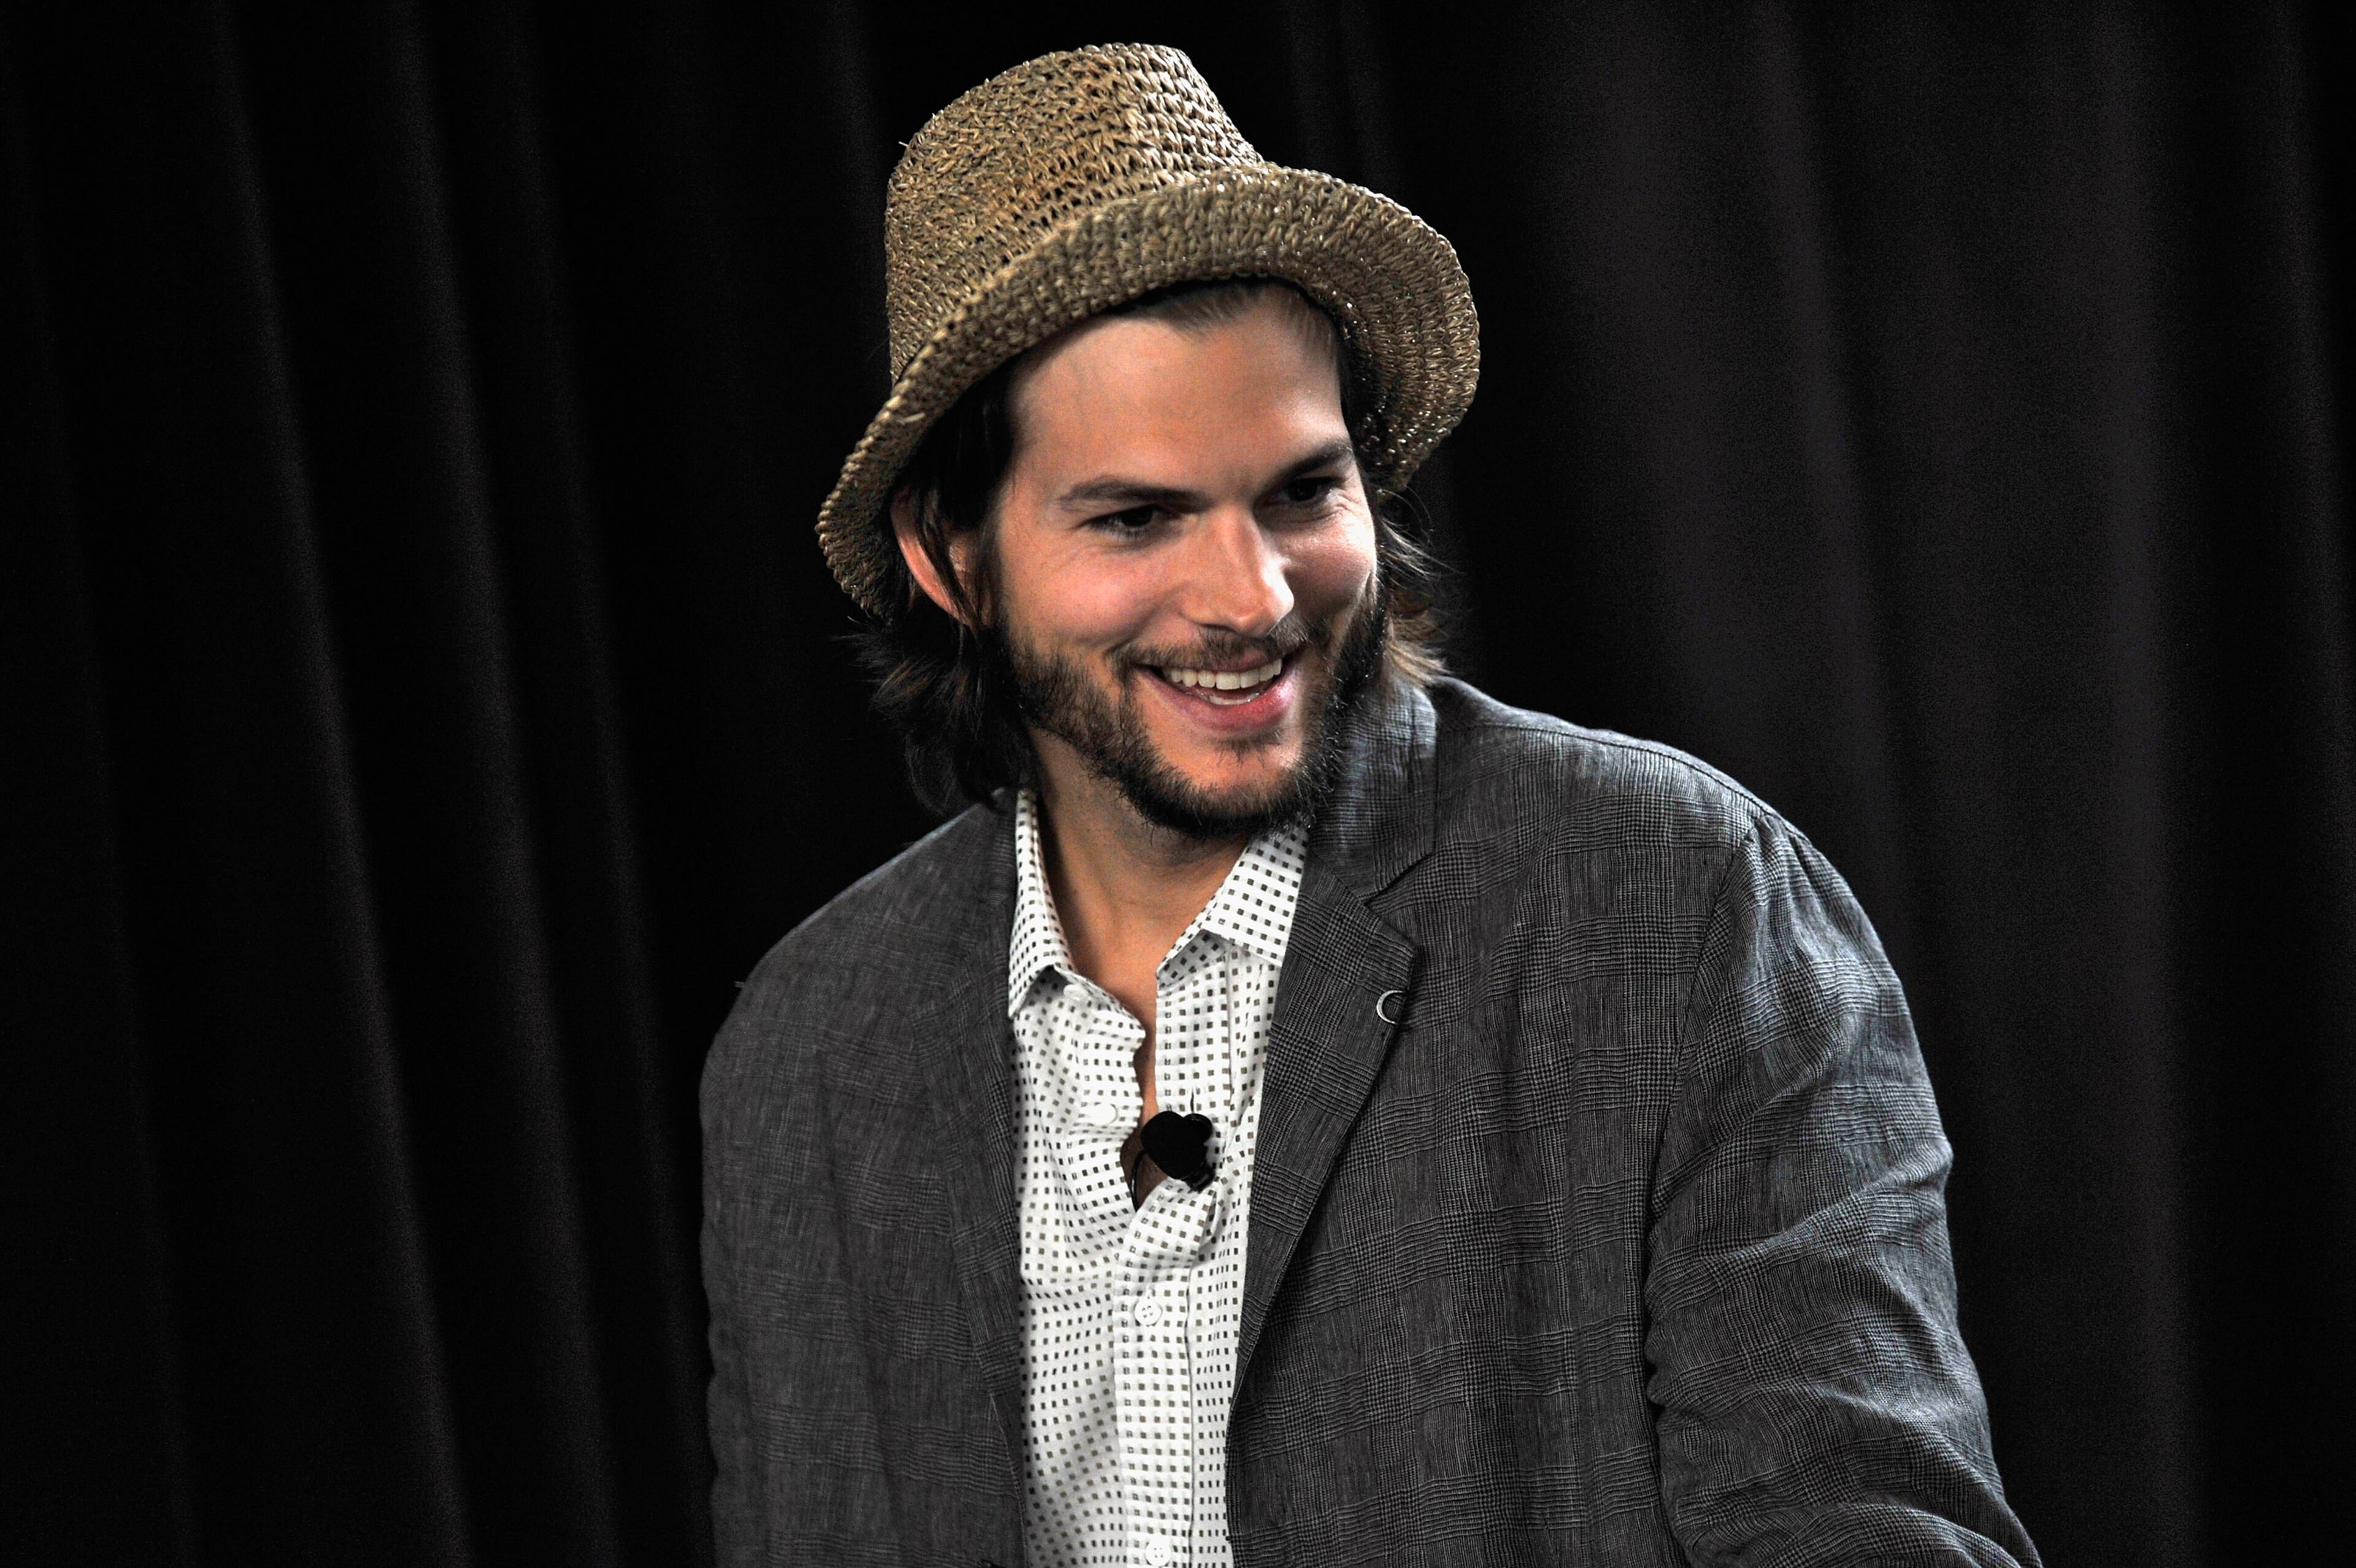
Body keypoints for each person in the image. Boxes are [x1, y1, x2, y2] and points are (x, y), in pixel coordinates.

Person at [702, 42, 2039, 1568]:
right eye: (1138, 518)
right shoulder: (806, 1053)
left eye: (1300, 492)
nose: (1251, 596)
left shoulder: (1682, 907)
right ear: (951, 560)